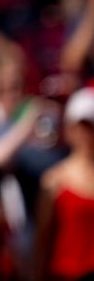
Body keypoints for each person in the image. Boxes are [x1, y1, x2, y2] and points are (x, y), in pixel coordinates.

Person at [33, 87, 94, 281]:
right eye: (82, 126)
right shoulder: (54, 180)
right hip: (66, 275)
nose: (87, 133)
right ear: (69, 128)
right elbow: (42, 238)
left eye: (90, 126)